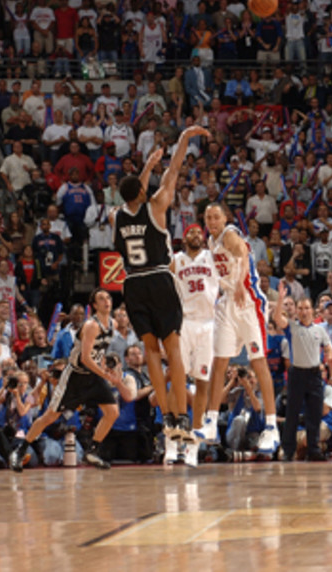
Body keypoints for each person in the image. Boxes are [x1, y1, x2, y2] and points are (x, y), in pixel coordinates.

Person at [112, 125, 208, 443]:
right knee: (174, 349)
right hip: (158, 279)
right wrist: (183, 140)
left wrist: (146, 168)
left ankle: (166, 415)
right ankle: (182, 416)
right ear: (141, 191)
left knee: (151, 352)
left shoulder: (116, 216)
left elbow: (131, 194)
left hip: (133, 285)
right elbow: (175, 170)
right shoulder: (156, 206)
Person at [196, 203, 281, 456]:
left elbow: (244, 254)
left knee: (258, 362)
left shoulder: (230, 234)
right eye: (208, 217)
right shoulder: (210, 245)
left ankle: (271, 425)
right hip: (227, 302)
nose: (212, 221)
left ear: (224, 218)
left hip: (249, 301)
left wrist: (241, 283)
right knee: (219, 361)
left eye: (216, 216)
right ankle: (210, 420)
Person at [10, 290, 126, 471]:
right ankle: (20, 450)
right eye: (101, 299)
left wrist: (107, 366)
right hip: (75, 376)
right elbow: (86, 359)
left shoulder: (113, 324)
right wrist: (105, 374)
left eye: (108, 298)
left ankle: (92, 451)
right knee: (50, 416)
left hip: (94, 376)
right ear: (94, 306)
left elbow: (99, 353)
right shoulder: (91, 325)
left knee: (112, 412)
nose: (107, 301)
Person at [172, 224, 219, 467]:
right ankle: (172, 435)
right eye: (191, 232)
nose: (195, 235)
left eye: (199, 232)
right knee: (177, 378)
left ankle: (194, 443)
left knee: (203, 383)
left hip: (208, 324)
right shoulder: (176, 260)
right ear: (184, 238)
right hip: (185, 322)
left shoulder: (211, 257)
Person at [274, 296, 332, 461]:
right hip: (297, 374)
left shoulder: (320, 330)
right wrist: (280, 299)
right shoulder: (292, 327)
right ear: (297, 311)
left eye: (306, 308)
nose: (303, 311)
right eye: (300, 308)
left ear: (312, 311)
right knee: (292, 413)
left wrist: (328, 357)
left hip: (315, 375)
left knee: (314, 414)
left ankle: (313, 449)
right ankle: (288, 450)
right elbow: (276, 317)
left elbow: (329, 348)